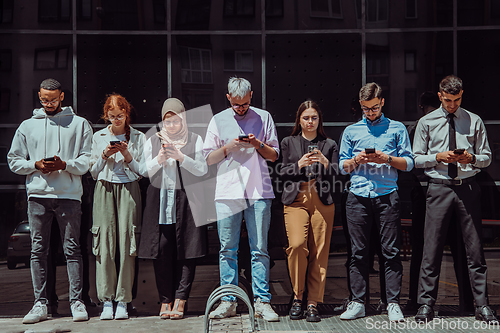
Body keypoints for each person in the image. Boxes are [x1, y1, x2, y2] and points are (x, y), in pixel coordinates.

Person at [413, 75, 497, 323]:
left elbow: (487, 157)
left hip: (467, 187)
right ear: (440, 96)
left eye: (457, 100)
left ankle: (482, 306)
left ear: (462, 95)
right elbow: (416, 158)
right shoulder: (426, 122)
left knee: (475, 250)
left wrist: (471, 159)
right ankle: (425, 304)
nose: (452, 105)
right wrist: (438, 156)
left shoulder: (474, 120)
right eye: (448, 100)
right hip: (438, 187)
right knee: (432, 249)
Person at [7, 78, 91, 324]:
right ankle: (40, 303)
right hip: (38, 197)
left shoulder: (79, 123)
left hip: (68, 195)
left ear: (62, 96)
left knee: (73, 250)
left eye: (53, 99)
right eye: (44, 99)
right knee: (37, 251)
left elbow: (87, 160)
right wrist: (35, 165)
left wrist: (65, 164)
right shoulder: (27, 126)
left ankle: (77, 302)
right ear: (39, 96)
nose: (48, 103)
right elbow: (14, 160)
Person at [203, 77, 280, 322]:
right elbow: (208, 159)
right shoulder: (218, 120)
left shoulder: (263, 117)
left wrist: (257, 144)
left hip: (258, 191)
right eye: (236, 105)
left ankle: (262, 302)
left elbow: (274, 155)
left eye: (245, 104)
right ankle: (229, 301)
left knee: (260, 249)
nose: (241, 109)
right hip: (227, 192)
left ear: (251, 96)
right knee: (227, 249)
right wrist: (229, 147)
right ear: (228, 98)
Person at [338, 82, 414, 322]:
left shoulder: (397, 128)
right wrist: (357, 160)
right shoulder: (351, 131)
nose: (369, 112)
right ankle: (358, 302)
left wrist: (387, 158)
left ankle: (393, 303)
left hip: (387, 195)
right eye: (365, 108)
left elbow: (409, 163)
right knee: (358, 253)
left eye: (373, 107)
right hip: (357, 197)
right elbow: (341, 166)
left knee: (390, 252)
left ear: (382, 102)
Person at [139, 98, 208, 320]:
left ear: (183, 119)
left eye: (176, 121)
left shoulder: (195, 139)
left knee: (188, 252)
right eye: (167, 122)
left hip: (187, 204)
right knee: (162, 253)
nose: (171, 126)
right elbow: (143, 170)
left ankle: (181, 299)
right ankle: (165, 300)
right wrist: (158, 159)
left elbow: (202, 169)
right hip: (161, 207)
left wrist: (181, 157)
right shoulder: (152, 140)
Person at [278, 100, 339, 322]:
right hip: (296, 197)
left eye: (314, 118)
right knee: (296, 246)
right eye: (306, 118)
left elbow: (338, 173)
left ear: (319, 120)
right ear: (299, 120)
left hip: (322, 198)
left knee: (319, 252)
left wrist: (324, 162)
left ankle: (313, 302)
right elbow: (281, 172)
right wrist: (299, 165)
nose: (310, 122)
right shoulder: (288, 142)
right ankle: (297, 296)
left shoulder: (329, 144)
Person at [89, 93, 144, 320]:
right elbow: (92, 172)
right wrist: (104, 154)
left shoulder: (138, 136)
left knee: (128, 242)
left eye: (120, 116)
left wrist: (126, 154)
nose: (116, 120)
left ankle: (123, 299)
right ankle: (107, 301)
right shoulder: (98, 136)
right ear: (106, 116)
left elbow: (143, 172)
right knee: (104, 244)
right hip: (103, 188)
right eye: (111, 116)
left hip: (129, 188)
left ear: (127, 114)